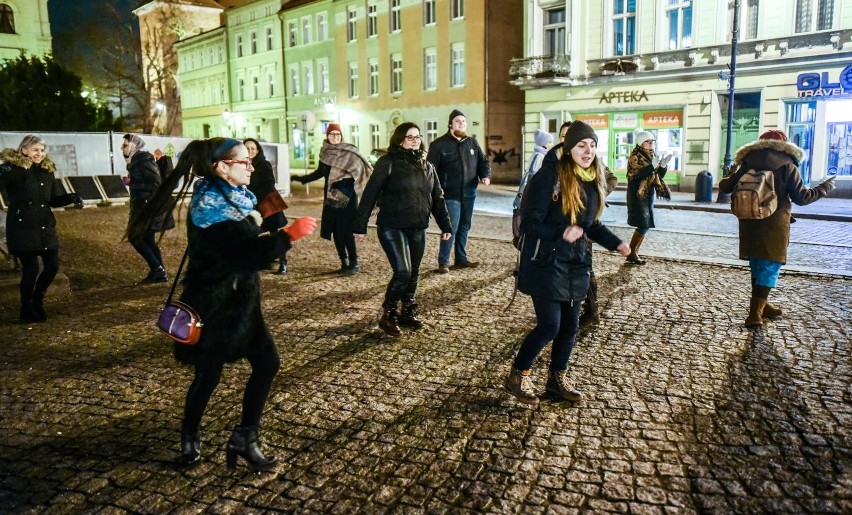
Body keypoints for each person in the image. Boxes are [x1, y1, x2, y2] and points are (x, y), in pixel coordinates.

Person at [127, 137, 317, 471]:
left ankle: (245, 437)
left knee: (268, 362)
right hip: (213, 306)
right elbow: (246, 254)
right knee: (208, 375)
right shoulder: (209, 209)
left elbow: (249, 236)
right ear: (222, 167)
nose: (251, 166)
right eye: (244, 161)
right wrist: (289, 235)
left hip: (242, 303)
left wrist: (270, 223)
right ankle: (189, 438)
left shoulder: (235, 199)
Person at [506, 121, 630, 406]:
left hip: (576, 262)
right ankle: (518, 374)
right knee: (550, 325)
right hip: (546, 261)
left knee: (570, 326)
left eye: (592, 145)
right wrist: (560, 231)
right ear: (568, 148)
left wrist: (616, 243)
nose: (588, 151)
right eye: (581, 145)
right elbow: (529, 223)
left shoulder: (592, 178)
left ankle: (556, 378)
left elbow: (590, 225)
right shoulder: (548, 176)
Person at [718, 129, 833, 328]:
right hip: (774, 222)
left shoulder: (747, 161)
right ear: (785, 145)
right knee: (770, 265)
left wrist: (731, 172)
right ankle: (755, 314)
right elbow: (802, 197)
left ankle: (763, 305)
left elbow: (726, 187)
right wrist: (823, 188)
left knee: (757, 263)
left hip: (749, 218)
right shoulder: (787, 164)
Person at [354, 122, 452, 336]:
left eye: (417, 137)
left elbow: (437, 198)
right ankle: (388, 313)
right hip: (391, 226)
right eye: (410, 137)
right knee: (403, 271)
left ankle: (407, 309)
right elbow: (370, 194)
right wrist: (360, 226)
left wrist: (445, 225)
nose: (415, 140)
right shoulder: (387, 162)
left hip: (417, 226)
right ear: (400, 139)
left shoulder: (427, 166)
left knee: (414, 271)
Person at [541, 121, 618, 325]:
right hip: (560, 227)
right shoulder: (555, 164)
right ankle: (562, 308)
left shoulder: (592, 161)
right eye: (563, 137)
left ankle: (590, 309)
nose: (567, 140)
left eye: (569, 136)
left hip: (583, 225)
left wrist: (597, 195)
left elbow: (612, 178)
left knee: (583, 268)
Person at [0, 135, 82, 323]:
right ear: (24, 150)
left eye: (42, 150)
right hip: (22, 227)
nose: (40, 154)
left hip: (45, 226)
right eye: (36, 150)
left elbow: (52, 200)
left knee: (52, 266)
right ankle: (26, 309)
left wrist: (71, 197)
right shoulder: (12, 170)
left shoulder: (46, 171)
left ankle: (37, 301)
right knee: (31, 269)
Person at [293, 124, 371, 275]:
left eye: (338, 134)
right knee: (335, 230)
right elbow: (319, 173)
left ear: (341, 136)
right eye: (332, 134)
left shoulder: (349, 151)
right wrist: (302, 179)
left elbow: (361, 171)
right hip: (332, 195)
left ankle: (354, 263)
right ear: (327, 136)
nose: (335, 137)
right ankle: (344, 262)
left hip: (348, 195)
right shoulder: (325, 153)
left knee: (346, 230)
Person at [427, 109, 491, 274]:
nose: (461, 123)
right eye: (457, 121)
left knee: (465, 226)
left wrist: (485, 176)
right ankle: (444, 262)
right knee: (451, 227)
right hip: (449, 195)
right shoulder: (439, 145)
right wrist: (435, 190)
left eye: (463, 121)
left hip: (469, 193)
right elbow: (430, 171)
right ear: (450, 124)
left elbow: (483, 162)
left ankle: (461, 259)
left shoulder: (472, 142)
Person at [123, 134, 173, 283]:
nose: (122, 148)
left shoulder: (143, 159)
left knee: (134, 237)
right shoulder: (137, 160)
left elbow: (155, 183)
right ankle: (160, 272)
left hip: (145, 209)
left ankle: (157, 269)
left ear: (134, 145)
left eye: (125, 145)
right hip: (144, 208)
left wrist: (131, 182)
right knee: (148, 239)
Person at [624, 129, 672, 265]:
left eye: (652, 141)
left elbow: (658, 176)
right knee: (644, 225)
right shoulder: (635, 156)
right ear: (641, 143)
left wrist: (663, 166)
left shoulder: (651, 155)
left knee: (645, 224)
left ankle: (632, 253)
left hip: (648, 194)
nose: (651, 144)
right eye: (647, 141)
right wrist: (651, 167)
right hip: (637, 195)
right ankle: (632, 253)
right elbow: (634, 177)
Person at [245, 138, 289, 274]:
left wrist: (254, 198)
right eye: (247, 148)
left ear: (258, 150)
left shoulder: (264, 164)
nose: (250, 151)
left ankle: (283, 262)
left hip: (266, 203)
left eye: (253, 148)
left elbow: (269, 184)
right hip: (250, 205)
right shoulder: (242, 164)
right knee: (251, 233)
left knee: (274, 233)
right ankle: (258, 260)